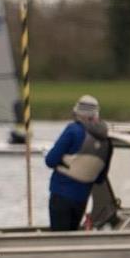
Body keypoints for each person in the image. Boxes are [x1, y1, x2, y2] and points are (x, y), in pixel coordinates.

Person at [45, 95, 113, 231]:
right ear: (96, 114)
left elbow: (50, 161)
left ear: (77, 113)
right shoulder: (107, 140)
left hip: (61, 195)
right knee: (72, 237)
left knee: (58, 241)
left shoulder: (73, 130)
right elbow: (100, 178)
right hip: (82, 199)